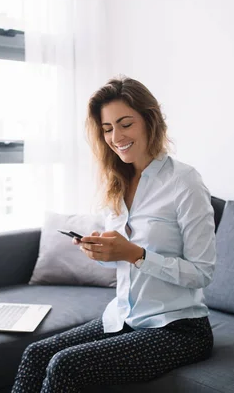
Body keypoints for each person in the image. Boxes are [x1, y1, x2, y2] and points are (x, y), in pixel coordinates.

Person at [11, 76, 217, 393]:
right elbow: (123, 263)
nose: (116, 137)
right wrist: (105, 253)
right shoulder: (118, 182)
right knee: (35, 353)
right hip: (124, 318)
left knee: (65, 365)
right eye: (107, 128)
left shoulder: (184, 182)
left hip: (179, 329)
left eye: (125, 124)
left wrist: (134, 254)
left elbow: (202, 273)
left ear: (150, 121)